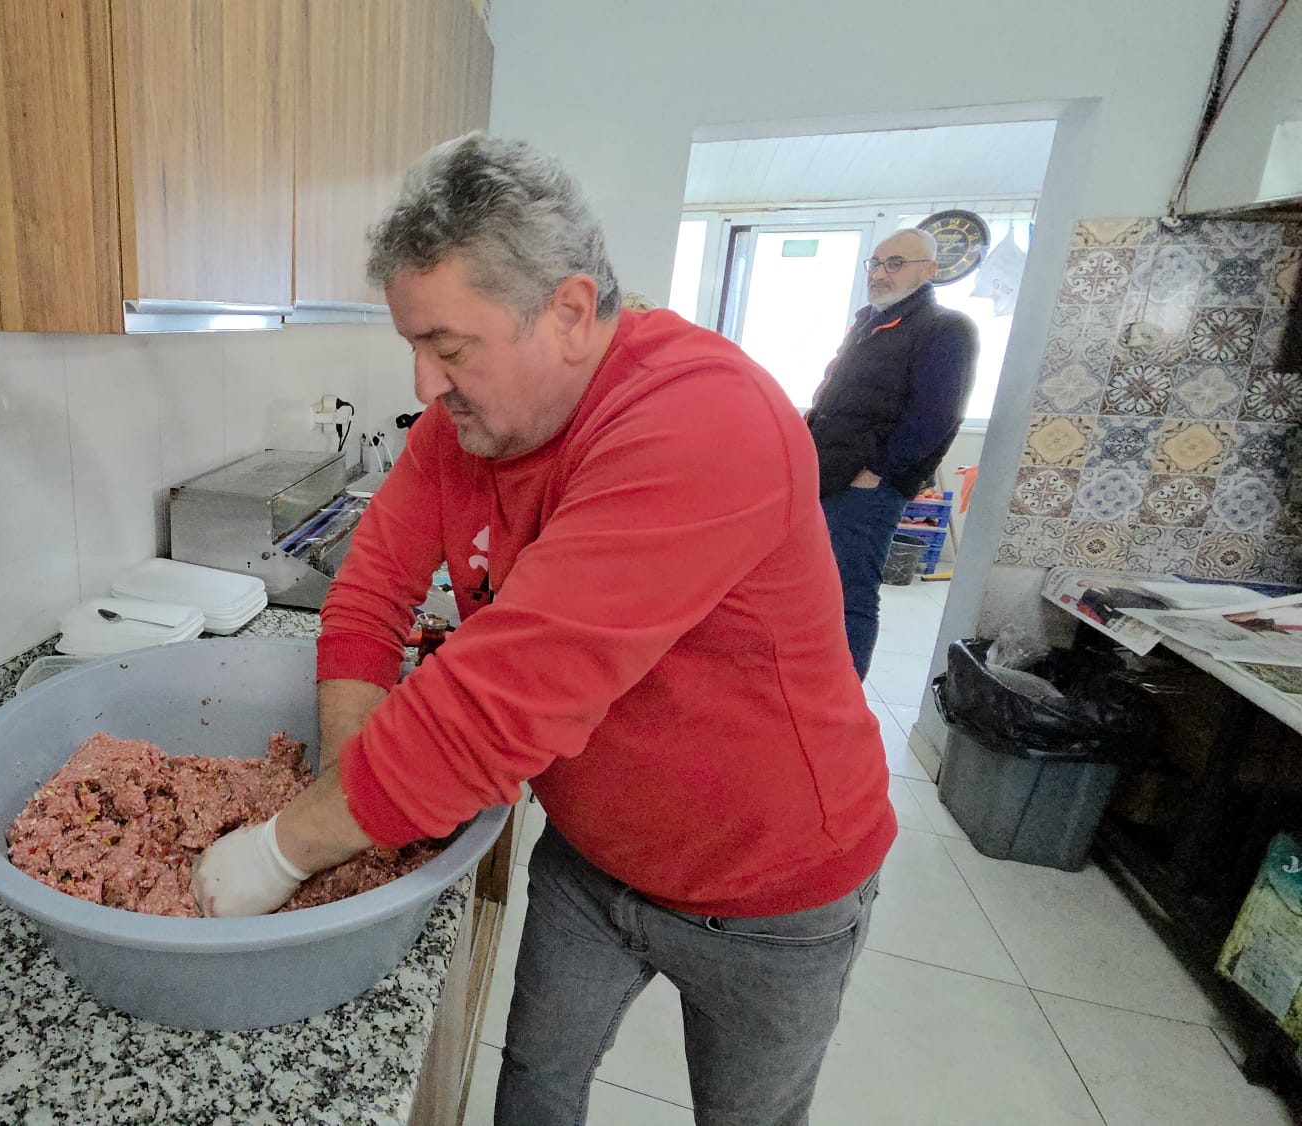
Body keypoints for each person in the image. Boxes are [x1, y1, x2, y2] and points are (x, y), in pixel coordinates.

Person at [191, 134, 894, 1126]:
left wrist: (279, 852)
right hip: (589, 859)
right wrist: (348, 795)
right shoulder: (467, 428)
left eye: (448, 348)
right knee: (532, 1089)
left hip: (771, 891)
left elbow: (495, 708)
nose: (425, 385)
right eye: (413, 347)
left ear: (567, 311)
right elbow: (367, 596)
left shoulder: (703, 419)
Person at [806, 229, 978, 677]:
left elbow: (938, 416)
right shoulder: (870, 323)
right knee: (815, 589)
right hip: (827, 476)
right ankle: (813, 687)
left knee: (850, 594)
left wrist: (878, 472)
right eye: (877, 263)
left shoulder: (944, 328)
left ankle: (842, 697)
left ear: (929, 271)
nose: (880, 273)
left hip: (865, 488)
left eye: (896, 263)